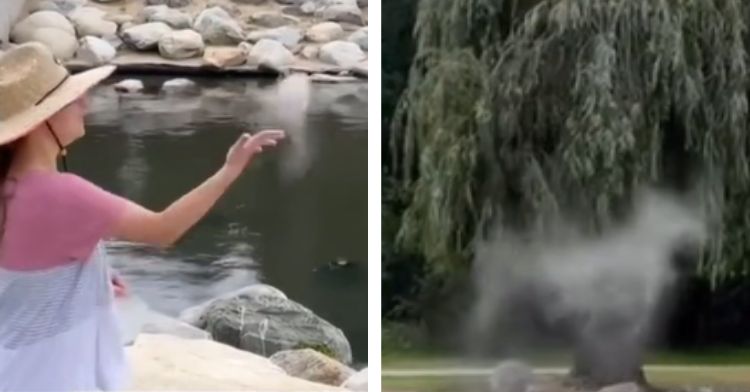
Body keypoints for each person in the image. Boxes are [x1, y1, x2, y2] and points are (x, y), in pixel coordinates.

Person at [0, 42, 285, 390]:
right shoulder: (64, 193)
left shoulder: (10, 188)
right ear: (42, 121)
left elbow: (28, 272)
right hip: (58, 376)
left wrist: (91, 277)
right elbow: (163, 229)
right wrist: (229, 171)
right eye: (71, 100)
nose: (84, 103)